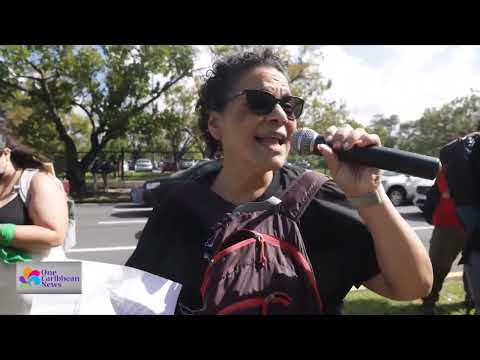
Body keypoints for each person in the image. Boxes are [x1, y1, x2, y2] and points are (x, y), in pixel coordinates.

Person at [126, 49, 432, 314]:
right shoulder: (179, 206)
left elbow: (412, 286)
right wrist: (74, 280)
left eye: (289, 106)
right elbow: (131, 298)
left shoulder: (318, 198)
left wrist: (370, 192)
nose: (279, 116)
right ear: (215, 124)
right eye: (259, 101)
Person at [0, 123, 69, 314]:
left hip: (47, 284)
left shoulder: (38, 180)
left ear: (6, 153)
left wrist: (3, 232)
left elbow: (55, 235)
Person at [420, 166, 473, 314]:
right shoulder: (458, 154)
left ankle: (472, 299)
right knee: (439, 265)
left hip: (466, 222)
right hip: (451, 221)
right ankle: (429, 302)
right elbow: (443, 188)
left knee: (474, 264)